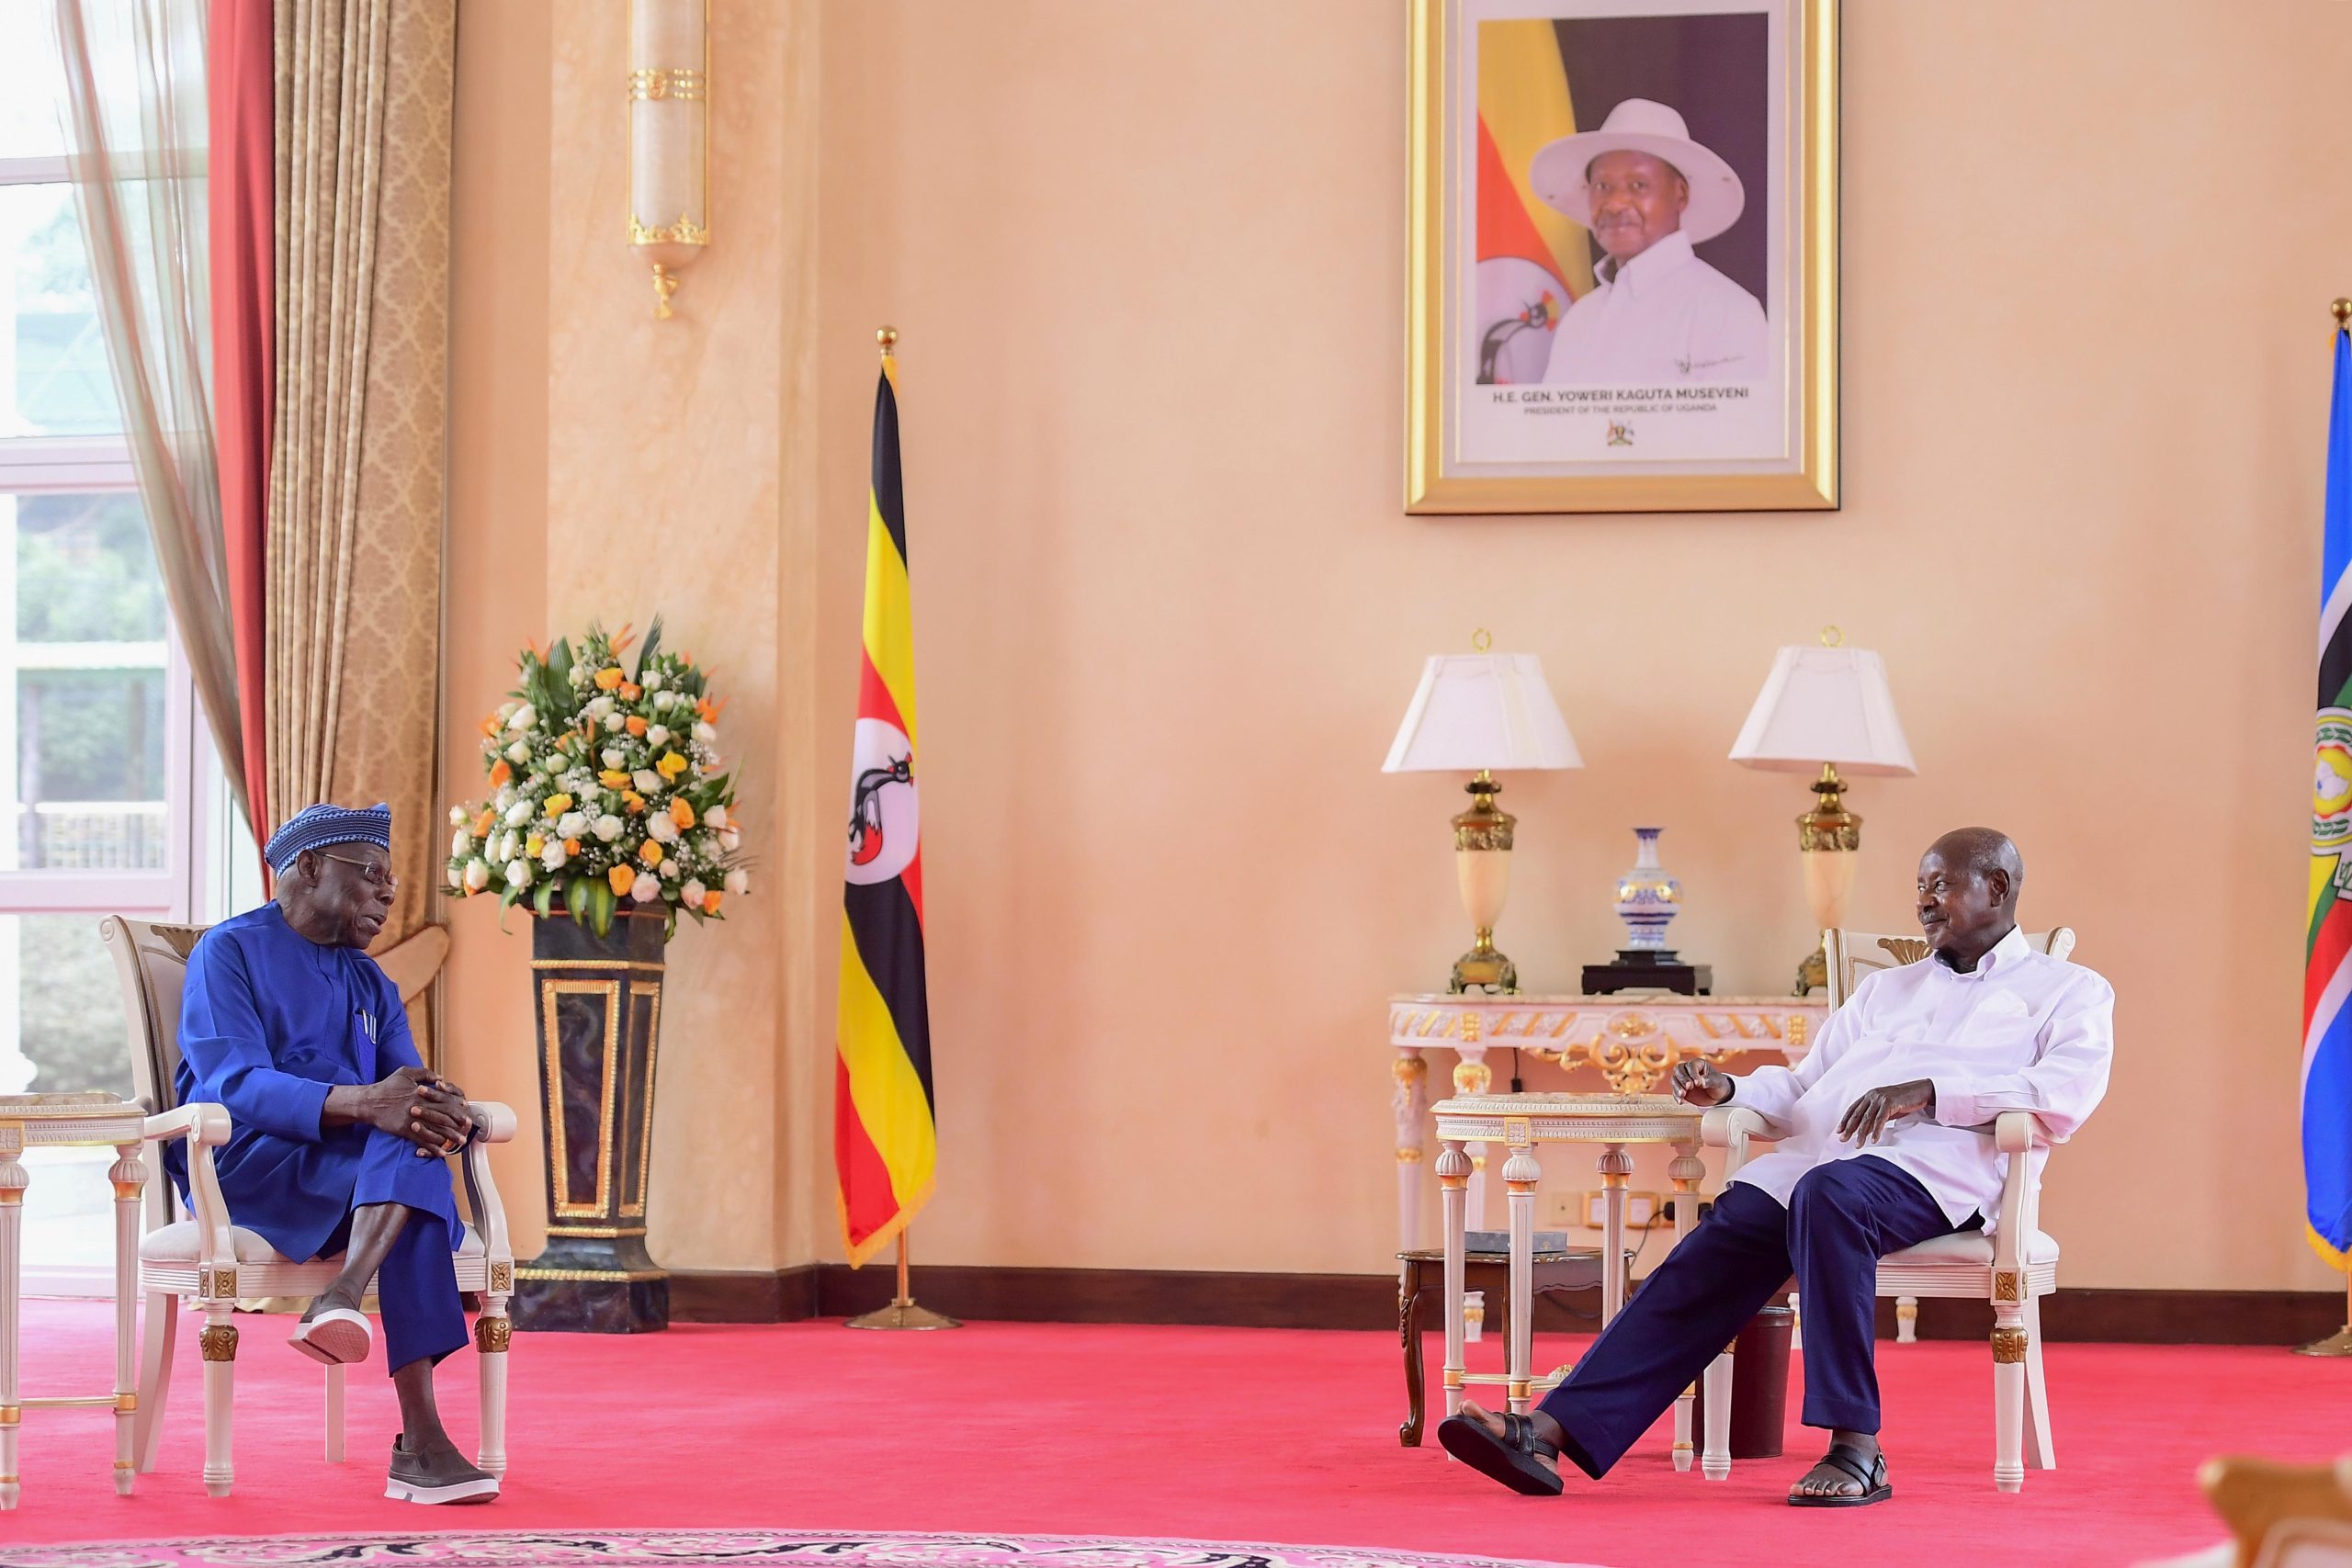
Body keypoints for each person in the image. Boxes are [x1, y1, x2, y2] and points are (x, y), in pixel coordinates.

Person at [1438, 828, 2113, 1506]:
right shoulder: (1887, 991)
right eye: (1919, 887)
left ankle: (1857, 1447)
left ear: (1996, 887)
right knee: (1724, 1234)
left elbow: (2064, 1092)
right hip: (1827, 1164)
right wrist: (1731, 1089)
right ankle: (1549, 1429)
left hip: (1941, 1173)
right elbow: (1803, 1088)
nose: (1924, 902)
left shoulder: (2069, 990)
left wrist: (1932, 1090)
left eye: (1940, 885)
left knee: (1830, 1194)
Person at [170, 802, 499, 1505]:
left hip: (348, 1172)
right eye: (372, 874)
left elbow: (404, 1083)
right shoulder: (226, 952)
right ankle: (419, 1443)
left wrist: (444, 1106)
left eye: (392, 881)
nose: (387, 891)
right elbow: (235, 1081)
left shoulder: (370, 981)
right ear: (310, 867)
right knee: (412, 1177)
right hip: (247, 1161)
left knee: (413, 1152)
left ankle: (344, 1296)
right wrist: (369, 1103)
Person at [1528, 98, 1769, 385]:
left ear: (1680, 195)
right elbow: (1552, 429)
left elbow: (1737, 429)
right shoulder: (1579, 319)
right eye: (1602, 186)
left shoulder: (1728, 312)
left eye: (1638, 185)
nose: (1615, 204)